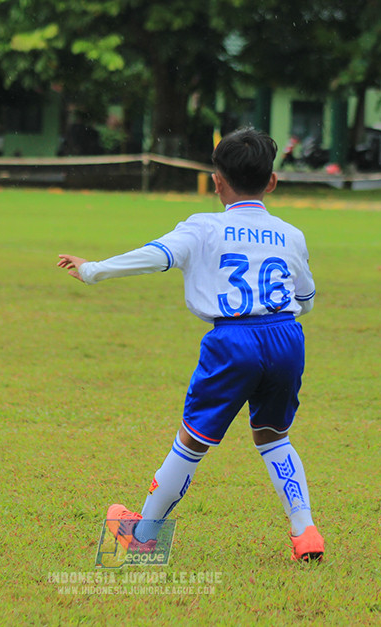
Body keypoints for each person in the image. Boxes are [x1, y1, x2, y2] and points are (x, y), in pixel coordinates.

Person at [56, 127, 325, 562]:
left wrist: (93, 270)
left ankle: (143, 536)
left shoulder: (203, 228)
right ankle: (306, 531)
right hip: (287, 337)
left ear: (216, 182)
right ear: (272, 182)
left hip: (233, 341)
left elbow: (156, 256)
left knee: (192, 441)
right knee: (274, 437)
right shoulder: (291, 234)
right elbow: (306, 300)